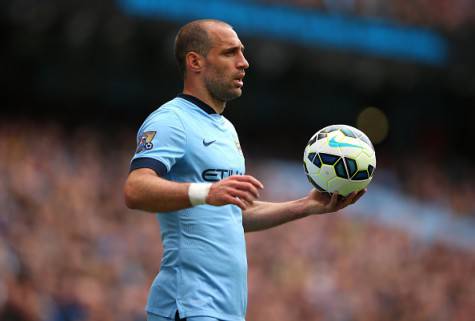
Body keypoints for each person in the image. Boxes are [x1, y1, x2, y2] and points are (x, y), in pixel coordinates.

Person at [123, 19, 365, 321]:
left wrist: (305, 205)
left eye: (242, 52)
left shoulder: (225, 129)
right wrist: (207, 192)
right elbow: (135, 189)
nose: (244, 63)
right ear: (195, 61)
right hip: (186, 306)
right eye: (230, 53)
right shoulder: (172, 120)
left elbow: (232, 214)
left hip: (224, 310)